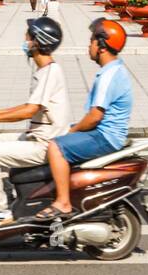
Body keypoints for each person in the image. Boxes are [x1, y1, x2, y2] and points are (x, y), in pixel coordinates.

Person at [0, 17, 69, 229]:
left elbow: (30, 110)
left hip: (47, 145)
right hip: (38, 137)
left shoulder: (51, 71)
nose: (25, 40)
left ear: (38, 42)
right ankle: (5, 194)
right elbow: (30, 105)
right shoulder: (43, 71)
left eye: (28, 36)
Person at [35, 19, 133, 221]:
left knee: (56, 146)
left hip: (105, 136)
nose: (89, 46)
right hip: (105, 133)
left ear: (102, 46)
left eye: (92, 42)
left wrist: (72, 132)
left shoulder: (109, 75)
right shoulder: (114, 70)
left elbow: (95, 117)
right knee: (60, 135)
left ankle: (63, 203)